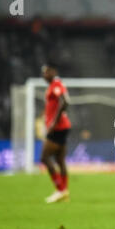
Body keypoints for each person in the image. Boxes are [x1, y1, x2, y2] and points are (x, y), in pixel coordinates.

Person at [40, 62, 71, 203]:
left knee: (45, 157)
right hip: (62, 126)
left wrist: (53, 122)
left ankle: (60, 190)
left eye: (46, 72)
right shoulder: (54, 85)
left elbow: (64, 101)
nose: (44, 75)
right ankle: (64, 191)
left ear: (53, 71)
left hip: (58, 128)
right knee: (59, 159)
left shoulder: (56, 85)